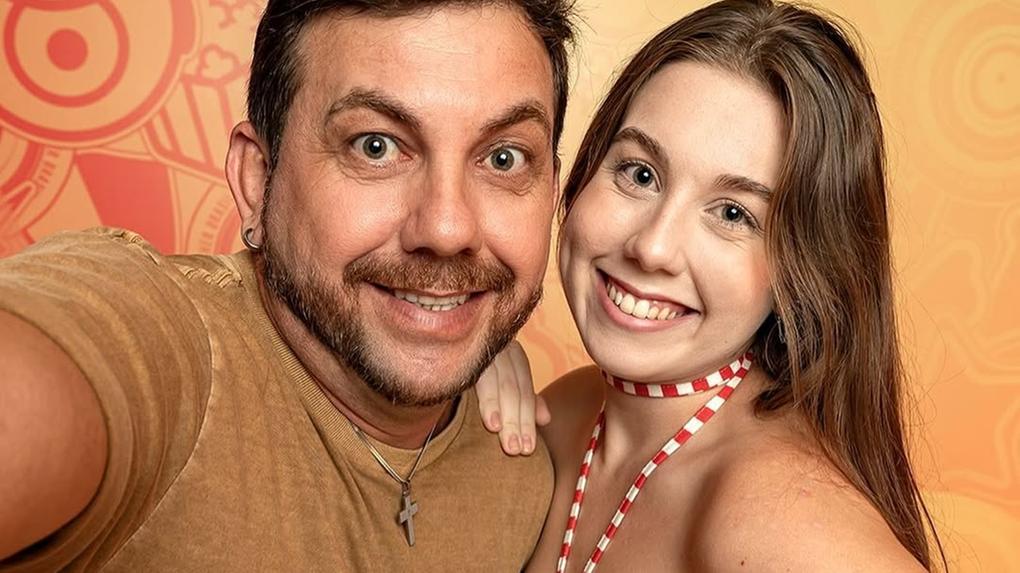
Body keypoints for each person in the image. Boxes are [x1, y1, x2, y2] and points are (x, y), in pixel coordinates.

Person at [0, 0, 576, 570]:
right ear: (258, 180)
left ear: (552, 190)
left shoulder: (535, 477)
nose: (448, 230)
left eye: (504, 158)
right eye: (374, 146)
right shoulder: (167, 351)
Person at [481, 0, 946, 570]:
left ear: (802, 271)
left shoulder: (781, 516)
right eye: (640, 173)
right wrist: (464, 367)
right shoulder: (568, 414)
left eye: (732, 214)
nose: (652, 247)